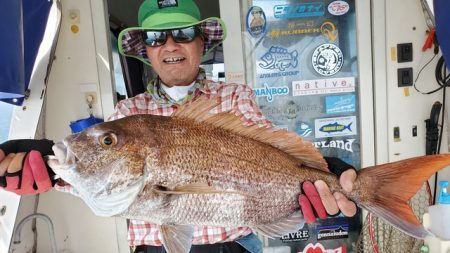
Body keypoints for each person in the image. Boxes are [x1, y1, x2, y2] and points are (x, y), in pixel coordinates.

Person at [0, 0, 357, 252]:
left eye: (183, 33)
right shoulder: (128, 113)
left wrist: (326, 172)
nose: (170, 44)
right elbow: (103, 179)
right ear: (147, 51)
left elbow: (271, 154)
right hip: (152, 249)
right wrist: (50, 163)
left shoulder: (234, 98)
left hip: (231, 247)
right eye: (156, 38)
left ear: (202, 42)